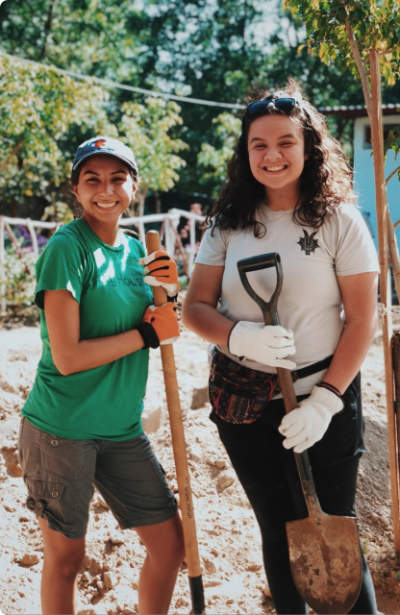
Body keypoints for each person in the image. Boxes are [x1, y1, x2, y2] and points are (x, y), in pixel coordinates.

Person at [182, 83, 379, 614]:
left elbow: (363, 318)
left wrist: (327, 400)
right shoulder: (228, 226)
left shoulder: (339, 219)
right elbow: (194, 307)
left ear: (309, 146)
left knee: (335, 526)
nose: (271, 156)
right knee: (276, 527)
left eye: (285, 143)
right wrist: (237, 335)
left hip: (324, 398)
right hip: (244, 402)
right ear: (245, 153)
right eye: (259, 145)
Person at [18, 136, 185, 615]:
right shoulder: (67, 249)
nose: (105, 189)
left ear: (134, 186)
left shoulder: (139, 253)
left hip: (121, 431)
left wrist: (168, 293)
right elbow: (67, 356)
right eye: (92, 179)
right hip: (60, 431)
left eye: (117, 178)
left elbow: (164, 325)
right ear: (76, 189)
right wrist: (146, 337)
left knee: (170, 546)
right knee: (67, 558)